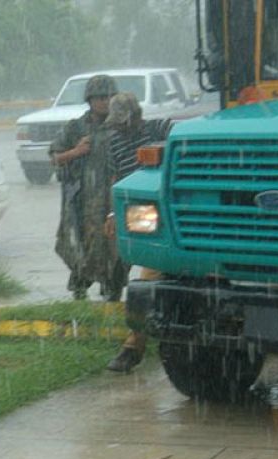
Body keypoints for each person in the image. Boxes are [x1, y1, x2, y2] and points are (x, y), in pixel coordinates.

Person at [102, 92, 172, 373]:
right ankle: (138, 338)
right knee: (139, 283)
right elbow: (116, 178)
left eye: (123, 122)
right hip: (142, 218)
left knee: (148, 277)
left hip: (170, 214)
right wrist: (112, 213)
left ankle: (134, 346)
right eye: (115, 123)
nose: (118, 128)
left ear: (137, 116)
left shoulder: (161, 129)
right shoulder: (115, 142)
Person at [49, 74, 123, 301]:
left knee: (115, 248)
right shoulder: (76, 127)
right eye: (99, 97)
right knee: (82, 246)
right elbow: (54, 156)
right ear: (90, 100)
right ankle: (80, 290)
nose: (105, 101)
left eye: (110, 97)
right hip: (84, 202)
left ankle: (112, 291)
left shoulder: (122, 126)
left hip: (114, 199)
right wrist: (75, 152)